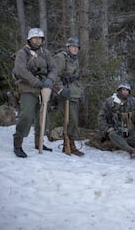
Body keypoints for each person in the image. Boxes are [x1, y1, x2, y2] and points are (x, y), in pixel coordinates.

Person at [12, 28, 57, 158]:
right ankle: (18, 144)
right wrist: (35, 82)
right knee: (26, 115)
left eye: (39, 38)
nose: (37, 40)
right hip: (28, 88)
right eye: (35, 38)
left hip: (44, 89)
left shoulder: (46, 53)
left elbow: (53, 68)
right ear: (30, 39)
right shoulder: (23, 53)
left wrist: (50, 79)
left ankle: (39, 143)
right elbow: (21, 70)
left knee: (43, 117)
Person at [97, 82, 135, 159]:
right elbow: (101, 117)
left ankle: (118, 143)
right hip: (116, 130)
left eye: (127, 90)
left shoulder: (133, 101)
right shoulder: (110, 101)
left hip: (129, 129)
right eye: (123, 90)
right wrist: (107, 128)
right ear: (119, 90)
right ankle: (131, 151)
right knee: (112, 135)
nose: (125, 92)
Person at [54, 37, 84, 156]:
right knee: (70, 120)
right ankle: (69, 145)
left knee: (73, 121)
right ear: (68, 47)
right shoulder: (61, 58)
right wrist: (61, 90)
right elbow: (54, 76)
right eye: (73, 47)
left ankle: (70, 144)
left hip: (74, 93)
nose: (75, 49)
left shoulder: (74, 59)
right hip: (66, 94)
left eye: (77, 47)